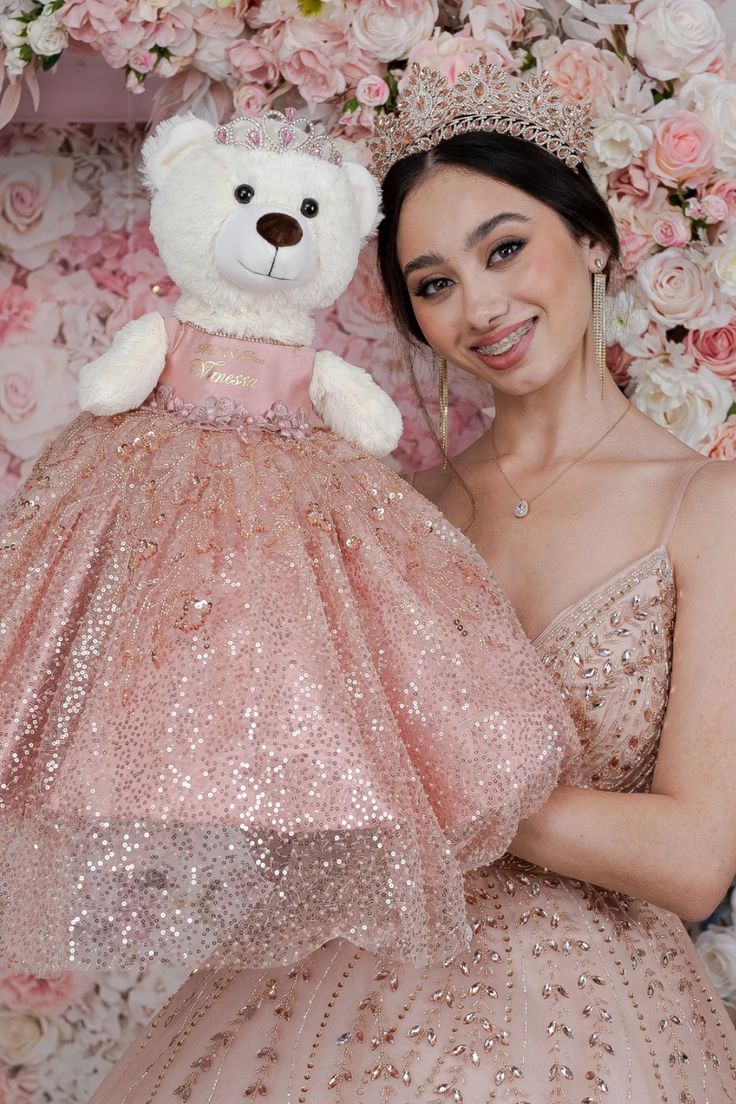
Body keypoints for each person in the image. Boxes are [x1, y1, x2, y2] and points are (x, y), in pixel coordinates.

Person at [89, 61, 736, 1103]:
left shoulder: (709, 507)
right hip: (341, 982)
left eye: (506, 249)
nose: (480, 305)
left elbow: (695, 857)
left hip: (586, 1018)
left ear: (593, 238)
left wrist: (422, 774)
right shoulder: (390, 505)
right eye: (435, 283)